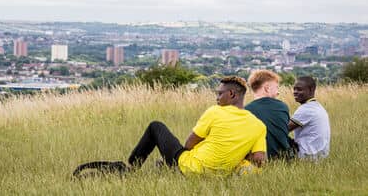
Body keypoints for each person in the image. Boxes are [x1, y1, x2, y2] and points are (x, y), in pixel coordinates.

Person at [74, 76, 267, 177]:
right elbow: (259, 160)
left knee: (155, 127)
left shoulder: (215, 112)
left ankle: (132, 168)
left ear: (232, 95)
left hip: (190, 167)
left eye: (219, 94)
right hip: (220, 175)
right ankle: (161, 167)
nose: (216, 98)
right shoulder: (258, 125)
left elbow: (189, 144)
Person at [245, 70, 291, 159]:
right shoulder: (282, 107)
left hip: (258, 160)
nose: (278, 92)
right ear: (267, 88)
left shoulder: (245, 111)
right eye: (277, 88)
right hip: (283, 159)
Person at [288, 76, 330, 160]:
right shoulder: (317, 106)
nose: (295, 92)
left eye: (299, 89)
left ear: (311, 90)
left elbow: (284, 129)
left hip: (308, 155)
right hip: (320, 154)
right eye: (294, 89)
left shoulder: (307, 109)